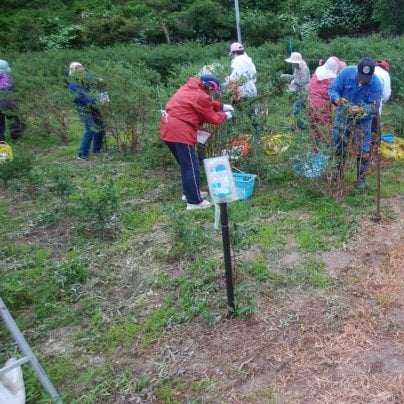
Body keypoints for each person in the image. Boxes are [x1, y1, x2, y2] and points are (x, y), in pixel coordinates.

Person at [160, 74, 233, 210]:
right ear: (209, 88)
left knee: (186, 165)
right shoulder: (200, 96)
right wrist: (225, 115)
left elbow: (207, 104)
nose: (213, 94)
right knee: (191, 166)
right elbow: (212, 117)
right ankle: (194, 202)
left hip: (168, 128)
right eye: (213, 91)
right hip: (180, 132)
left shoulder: (190, 88)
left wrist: (222, 106)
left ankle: (190, 193)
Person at [328, 57, 382, 190]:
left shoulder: (376, 84)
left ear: (371, 75)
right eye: (361, 76)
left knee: (364, 148)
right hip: (343, 114)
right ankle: (337, 174)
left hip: (364, 119)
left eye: (366, 78)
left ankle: (361, 179)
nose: (363, 80)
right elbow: (333, 89)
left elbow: (375, 106)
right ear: (357, 70)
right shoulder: (346, 73)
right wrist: (337, 99)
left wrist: (363, 109)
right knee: (339, 143)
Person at [67, 62, 107, 160]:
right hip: (83, 108)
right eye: (77, 69)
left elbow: (98, 82)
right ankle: (82, 154)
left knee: (101, 127)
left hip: (93, 107)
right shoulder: (73, 84)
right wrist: (99, 100)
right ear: (73, 71)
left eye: (81, 68)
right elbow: (83, 98)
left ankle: (96, 150)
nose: (80, 70)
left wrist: (99, 81)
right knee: (91, 129)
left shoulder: (86, 79)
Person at [308, 56, 346, 145]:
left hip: (310, 103)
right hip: (322, 106)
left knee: (314, 126)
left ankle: (316, 148)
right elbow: (336, 95)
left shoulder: (318, 72)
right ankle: (326, 151)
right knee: (326, 129)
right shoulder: (331, 79)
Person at [281, 52, 311, 129]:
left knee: (296, 107)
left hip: (304, 91)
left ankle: (302, 126)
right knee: (300, 108)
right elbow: (295, 77)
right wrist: (285, 76)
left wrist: (293, 82)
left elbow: (302, 81)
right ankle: (300, 124)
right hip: (299, 90)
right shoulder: (296, 67)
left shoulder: (304, 68)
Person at [0, 59, 22, 142]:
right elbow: (15, 90)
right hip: (10, 104)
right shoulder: (10, 79)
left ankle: (1, 139)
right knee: (13, 119)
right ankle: (16, 136)